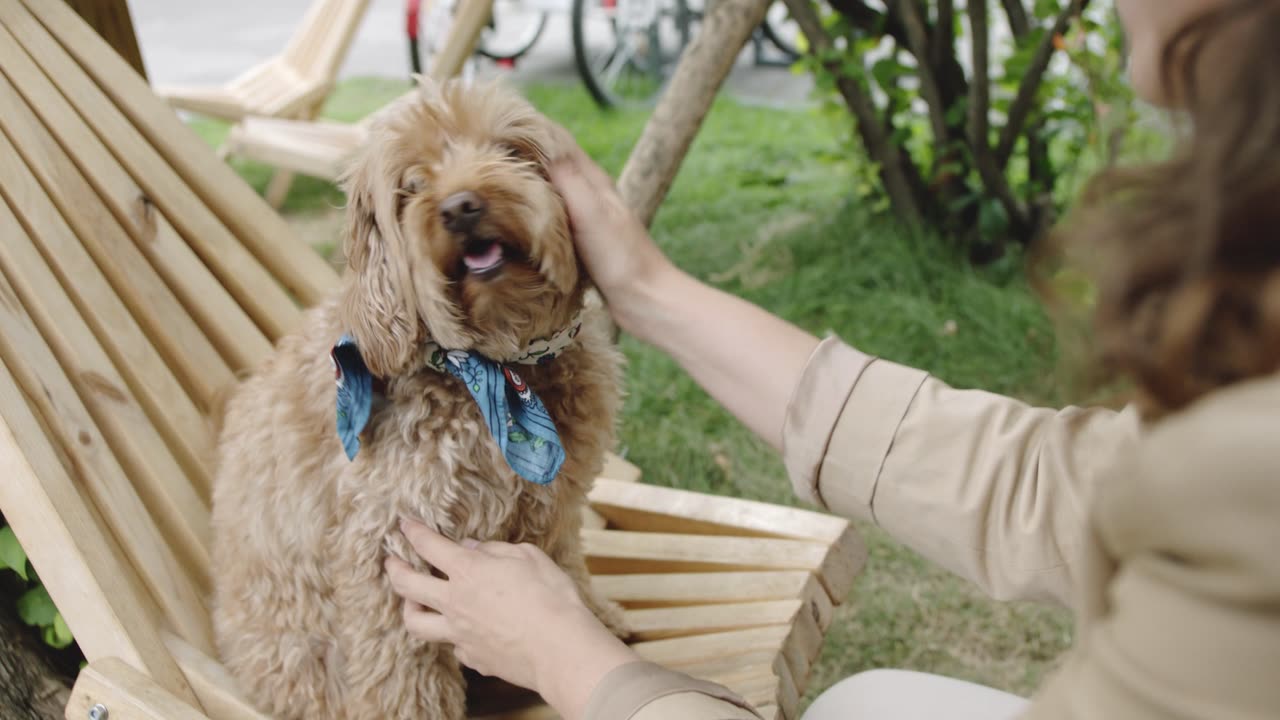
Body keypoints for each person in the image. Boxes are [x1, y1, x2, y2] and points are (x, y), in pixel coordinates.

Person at [383, 0, 1280, 717]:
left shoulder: (1245, 479)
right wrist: (650, 288)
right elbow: (1060, 488)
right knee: (870, 701)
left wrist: (569, 661)